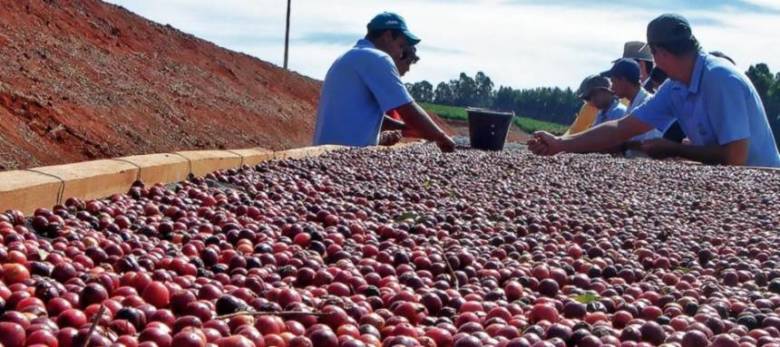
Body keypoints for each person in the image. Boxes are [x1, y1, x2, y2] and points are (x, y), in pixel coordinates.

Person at [529, 14, 780, 167]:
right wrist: (561, 144)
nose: (655, 65)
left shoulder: (721, 79)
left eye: (655, 57)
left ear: (660, 53)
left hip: (764, 186)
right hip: (729, 186)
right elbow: (622, 128)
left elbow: (735, 158)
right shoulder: (675, 88)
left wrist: (673, 149)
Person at [313, 12, 455, 152]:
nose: (400, 54)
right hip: (345, 154)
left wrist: (406, 129)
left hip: (325, 151)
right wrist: (442, 138)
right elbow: (408, 110)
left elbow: (366, 117)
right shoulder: (378, 58)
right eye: (400, 46)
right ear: (387, 36)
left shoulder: (349, 56)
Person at [604, 58, 663, 156]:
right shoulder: (633, 103)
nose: (612, 88)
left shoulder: (648, 104)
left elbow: (652, 145)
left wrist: (622, 145)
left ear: (623, 80)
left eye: (613, 82)